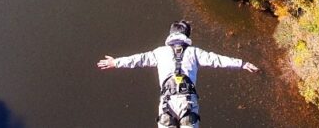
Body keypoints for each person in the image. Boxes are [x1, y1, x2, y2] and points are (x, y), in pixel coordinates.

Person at [97, 20, 259, 127]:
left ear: (171, 35)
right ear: (186, 36)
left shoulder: (159, 53)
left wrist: (115, 62)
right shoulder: (195, 52)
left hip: (167, 101)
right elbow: (218, 60)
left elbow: (138, 59)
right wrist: (242, 64)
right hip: (188, 101)